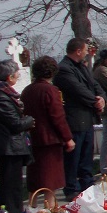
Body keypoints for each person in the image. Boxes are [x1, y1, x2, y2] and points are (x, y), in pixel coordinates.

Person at [0, 60, 36, 213]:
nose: (18, 76)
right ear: (9, 76)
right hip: (8, 146)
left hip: (9, 145)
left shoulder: (0, 92)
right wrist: (29, 120)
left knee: (12, 184)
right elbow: (14, 123)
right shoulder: (0, 96)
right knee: (11, 185)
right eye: (16, 73)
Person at [54, 37, 105, 201]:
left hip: (87, 117)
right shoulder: (63, 69)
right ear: (78, 51)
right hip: (74, 118)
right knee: (73, 156)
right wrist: (94, 101)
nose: (86, 53)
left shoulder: (82, 67)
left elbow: (94, 85)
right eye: (84, 50)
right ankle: (71, 187)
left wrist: (102, 97)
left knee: (86, 154)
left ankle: (87, 181)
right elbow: (77, 90)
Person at [21, 56, 74, 193]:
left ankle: (32, 206)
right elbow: (57, 116)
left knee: (35, 177)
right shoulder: (50, 90)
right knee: (50, 180)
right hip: (50, 139)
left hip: (33, 137)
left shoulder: (27, 90)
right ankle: (50, 207)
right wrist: (67, 138)